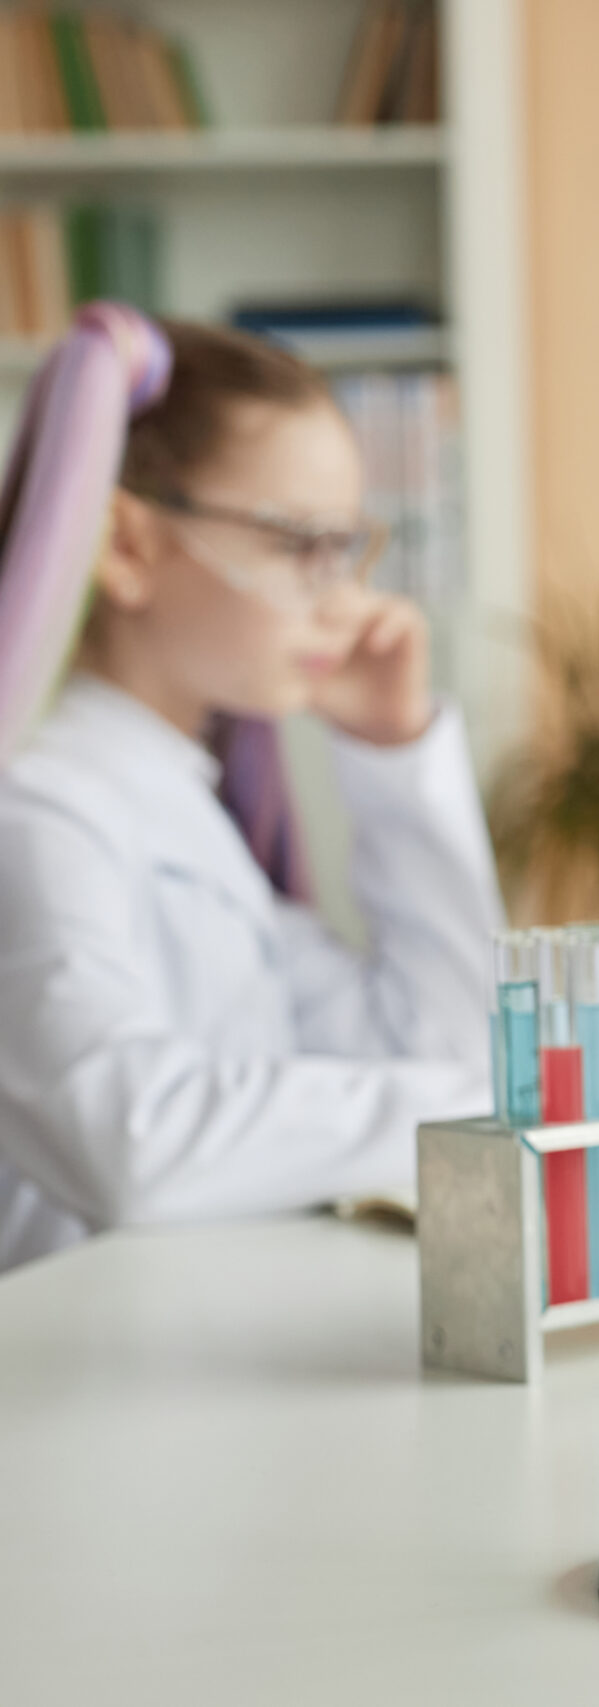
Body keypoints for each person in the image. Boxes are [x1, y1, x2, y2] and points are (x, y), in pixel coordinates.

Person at [0, 308, 502, 1272]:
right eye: (296, 544)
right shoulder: (38, 809)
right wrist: (467, 1107)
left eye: (347, 548)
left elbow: (441, 1040)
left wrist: (393, 754)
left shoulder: (185, 807)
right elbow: (131, 1140)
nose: (344, 598)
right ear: (130, 546)